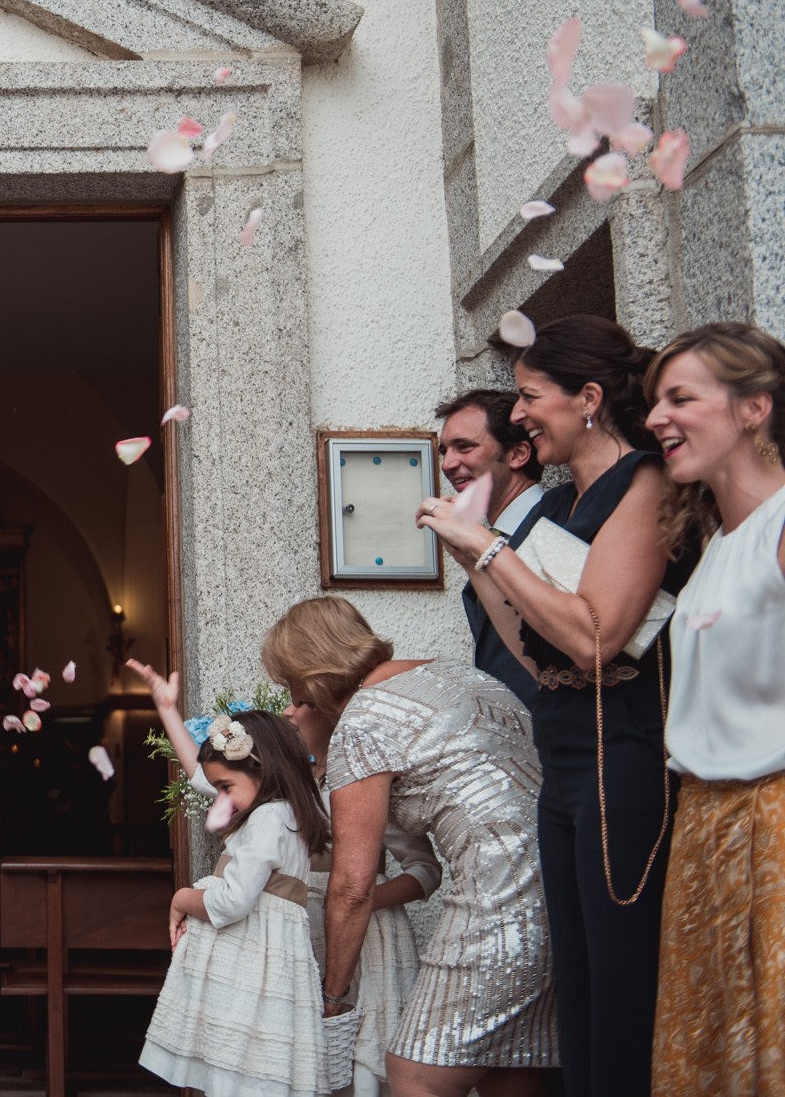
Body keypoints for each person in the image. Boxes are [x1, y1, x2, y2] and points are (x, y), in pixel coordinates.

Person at [417, 314, 693, 1097]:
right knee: (578, 988)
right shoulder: (573, 500)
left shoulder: (642, 482)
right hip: (566, 765)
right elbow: (538, 648)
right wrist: (474, 558)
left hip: (620, 761)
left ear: (590, 399)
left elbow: (596, 641)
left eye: (532, 396)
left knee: (620, 986)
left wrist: (495, 551)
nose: (524, 413)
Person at [262, 596, 558, 1097]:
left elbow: (353, 885)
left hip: (498, 899)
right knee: (511, 1067)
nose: (293, 697)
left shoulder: (364, 719)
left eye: (290, 683)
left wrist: (334, 997)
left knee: (414, 1073)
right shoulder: (465, 676)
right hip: (560, 890)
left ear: (309, 675)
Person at [129, 658, 434, 1097]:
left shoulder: (365, 786)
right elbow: (209, 778)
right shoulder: (286, 789)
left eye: (301, 702)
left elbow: (424, 871)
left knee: (347, 1060)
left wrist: (355, 896)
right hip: (295, 929)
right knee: (292, 1052)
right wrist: (166, 709)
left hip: (355, 931)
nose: (289, 712)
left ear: (334, 709)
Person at [642, 322, 785, 1095]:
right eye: (655, 401)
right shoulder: (717, 542)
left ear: (754, 407)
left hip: (773, 827)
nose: (658, 417)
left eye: (680, 397)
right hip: (702, 828)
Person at [139, 709, 329, 1097]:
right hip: (268, 969)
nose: (222, 799)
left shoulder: (267, 820)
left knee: (238, 1074)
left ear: (262, 768)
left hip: (250, 972)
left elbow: (232, 901)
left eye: (225, 787)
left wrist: (182, 898)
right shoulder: (288, 814)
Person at [434, 389, 547, 705]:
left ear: (517, 455)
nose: (448, 463)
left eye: (464, 447)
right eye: (445, 451)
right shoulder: (484, 537)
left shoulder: (553, 524)